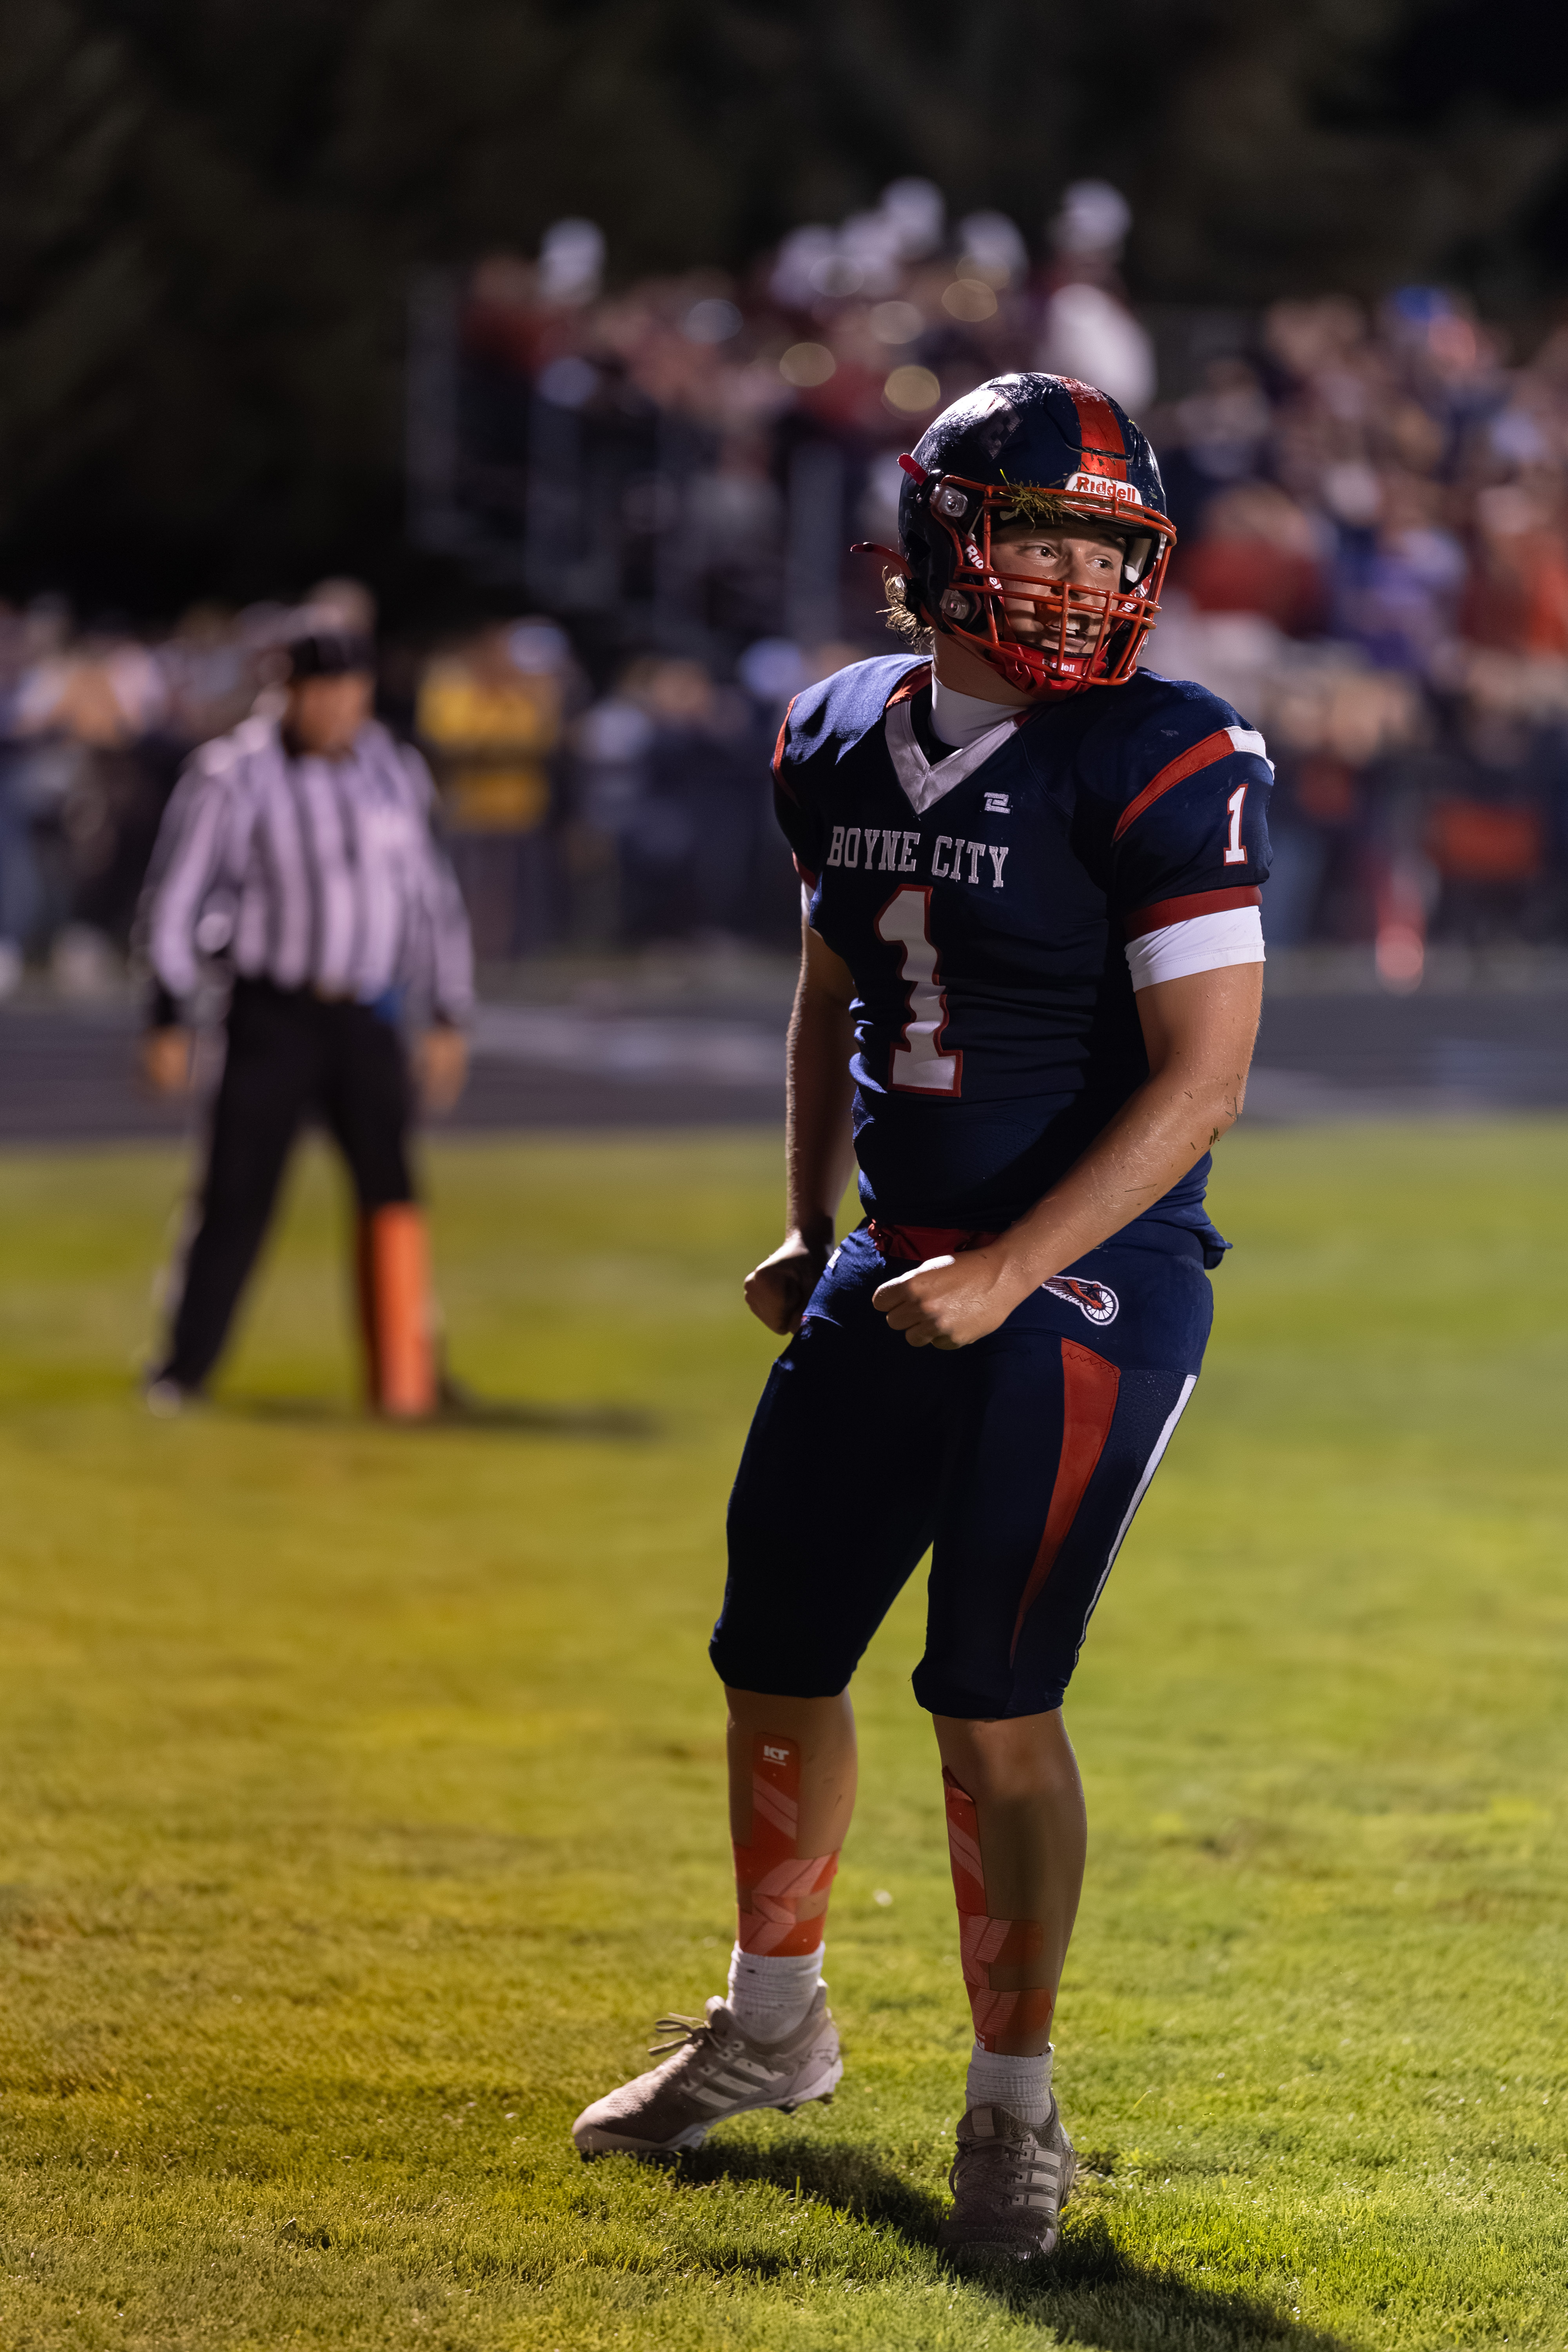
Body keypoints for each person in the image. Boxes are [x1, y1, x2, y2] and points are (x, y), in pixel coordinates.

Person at [570, 372, 1271, 2265]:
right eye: (1041, 532)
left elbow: (1203, 1082)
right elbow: (835, 997)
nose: (1076, 578)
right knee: (772, 1649)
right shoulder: (833, 731)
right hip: (897, 1254)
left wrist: (1010, 1267)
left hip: (1091, 1277)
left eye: (1105, 548)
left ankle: (1012, 2107)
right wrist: (812, 1223)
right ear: (943, 540)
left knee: (990, 1699)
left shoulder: (1165, 752)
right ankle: (771, 2024)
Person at [137, 626, 474, 1417]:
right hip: (271, 1013)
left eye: (350, 690)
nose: (335, 707)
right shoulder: (234, 773)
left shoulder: (392, 766)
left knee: (392, 1194)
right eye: (320, 691)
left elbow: (431, 899)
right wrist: (167, 1014)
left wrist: (448, 1011)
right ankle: (183, 1369)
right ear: (286, 692)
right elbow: (176, 900)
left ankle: (407, 1376)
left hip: (366, 1012)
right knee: (235, 1194)